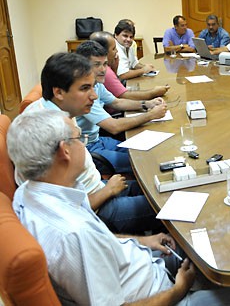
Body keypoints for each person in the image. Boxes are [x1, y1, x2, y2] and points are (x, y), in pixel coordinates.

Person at [7, 109, 230, 306]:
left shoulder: (27, 194)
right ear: (65, 151)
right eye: (80, 139)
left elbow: (100, 243)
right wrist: (178, 291)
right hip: (159, 293)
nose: (85, 147)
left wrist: (143, 240)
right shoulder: (73, 234)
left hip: (140, 261)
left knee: (202, 239)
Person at [21, 52, 164, 234]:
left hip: (98, 188)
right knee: (168, 204)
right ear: (58, 92)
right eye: (85, 88)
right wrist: (107, 191)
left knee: (158, 185)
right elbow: (64, 210)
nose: (94, 96)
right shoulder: (47, 134)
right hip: (97, 209)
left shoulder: (60, 113)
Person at [75, 41, 167, 174]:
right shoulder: (83, 93)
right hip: (87, 149)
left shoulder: (97, 84)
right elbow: (114, 127)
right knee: (144, 161)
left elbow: (117, 102)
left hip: (98, 139)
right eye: (96, 64)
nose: (103, 69)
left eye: (105, 64)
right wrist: (151, 115)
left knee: (150, 153)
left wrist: (147, 104)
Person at [90, 31, 170, 100]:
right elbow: (124, 96)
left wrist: (115, 68)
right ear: (102, 51)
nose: (116, 51)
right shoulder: (105, 71)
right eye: (114, 49)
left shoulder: (106, 68)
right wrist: (154, 92)